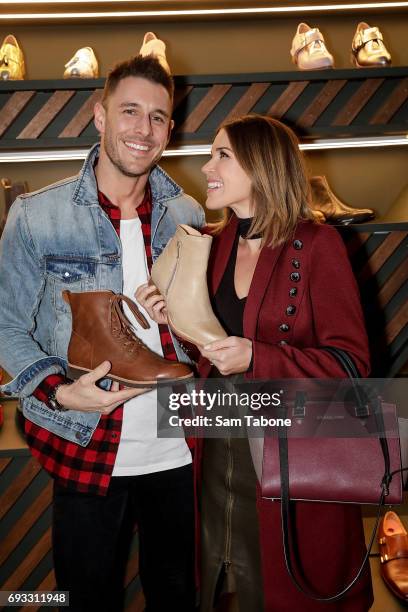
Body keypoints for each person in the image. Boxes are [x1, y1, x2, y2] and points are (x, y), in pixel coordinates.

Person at [137, 114, 373, 611]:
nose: (206, 167)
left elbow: (352, 366)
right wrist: (173, 322)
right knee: (221, 588)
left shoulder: (318, 245)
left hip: (292, 459)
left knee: (283, 591)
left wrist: (257, 355)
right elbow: (207, 352)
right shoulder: (211, 241)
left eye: (221, 154)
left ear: (262, 164)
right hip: (216, 448)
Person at [0, 54, 204, 612]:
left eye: (158, 117)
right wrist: (59, 392)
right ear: (99, 115)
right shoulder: (36, 216)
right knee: (87, 599)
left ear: (171, 127)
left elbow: (196, 331)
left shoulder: (186, 212)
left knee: (177, 597)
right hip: (86, 443)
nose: (143, 130)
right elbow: (7, 325)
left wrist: (179, 327)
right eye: (130, 112)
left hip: (180, 449)